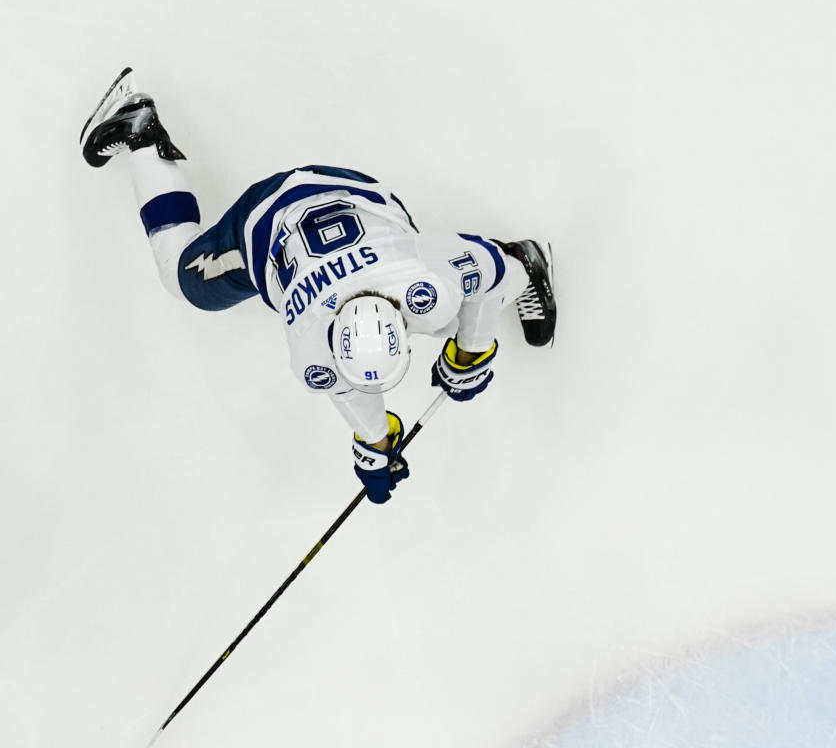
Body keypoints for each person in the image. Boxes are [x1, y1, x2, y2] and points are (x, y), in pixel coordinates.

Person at [80, 68, 555, 504]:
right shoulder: (412, 293)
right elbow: (486, 273)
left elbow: (494, 267)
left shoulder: (340, 334)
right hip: (314, 206)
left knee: (454, 307)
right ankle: (139, 134)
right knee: (180, 276)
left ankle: (140, 135)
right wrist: (467, 354)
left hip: (311, 206)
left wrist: (466, 357)